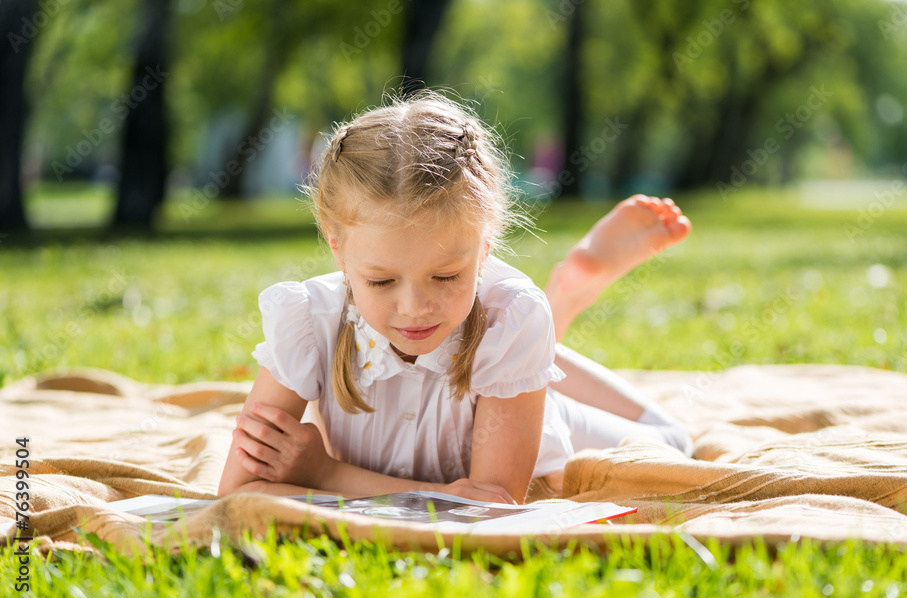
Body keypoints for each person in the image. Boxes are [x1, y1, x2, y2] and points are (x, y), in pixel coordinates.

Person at [217, 90, 692, 505]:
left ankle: (563, 297)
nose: (414, 307)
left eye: (446, 276)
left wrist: (326, 475)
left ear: (485, 250)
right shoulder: (306, 320)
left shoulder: (510, 321)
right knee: (508, 335)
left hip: (532, 401)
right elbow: (237, 492)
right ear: (338, 250)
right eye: (381, 282)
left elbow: (492, 503)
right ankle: (555, 313)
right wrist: (437, 496)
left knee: (674, 443)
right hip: (505, 350)